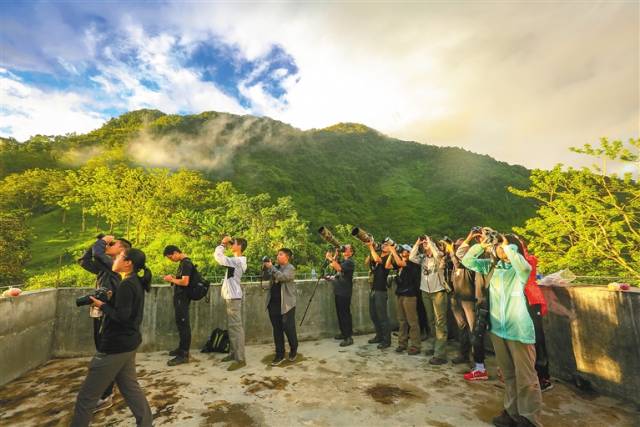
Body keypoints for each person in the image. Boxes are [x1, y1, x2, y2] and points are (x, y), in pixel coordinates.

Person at [462, 233, 542, 427]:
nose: (498, 248)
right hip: (498, 329)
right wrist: (481, 245)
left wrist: (509, 248)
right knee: (509, 375)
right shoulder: (491, 267)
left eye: (502, 245)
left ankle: (529, 418)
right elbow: (466, 260)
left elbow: (524, 267)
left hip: (519, 330)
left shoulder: (520, 268)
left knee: (527, 378)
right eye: (497, 246)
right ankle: (512, 412)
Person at [71, 248, 153, 427]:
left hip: (115, 347)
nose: (114, 259)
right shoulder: (134, 282)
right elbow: (126, 312)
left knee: (86, 398)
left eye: (118, 256)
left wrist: (102, 305)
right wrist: (110, 299)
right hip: (128, 343)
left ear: (128, 262)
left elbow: (122, 317)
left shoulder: (127, 284)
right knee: (131, 389)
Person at [77, 234, 131, 412]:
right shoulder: (105, 268)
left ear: (121, 251)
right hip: (99, 313)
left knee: (104, 355)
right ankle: (111, 390)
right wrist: (97, 243)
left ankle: (106, 395)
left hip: (106, 314)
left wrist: (102, 241)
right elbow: (84, 261)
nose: (109, 245)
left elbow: (99, 254)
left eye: (112, 244)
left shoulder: (114, 267)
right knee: (104, 353)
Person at [512, 234, 552, 392]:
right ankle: (528, 375)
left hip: (531, 300)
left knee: (537, 338)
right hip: (520, 301)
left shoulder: (529, 259)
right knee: (524, 341)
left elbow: (524, 268)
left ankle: (544, 377)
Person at [453, 230, 490, 381]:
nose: (482, 239)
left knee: (478, 333)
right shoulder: (478, 260)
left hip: (480, 300)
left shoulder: (490, 260)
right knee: (476, 334)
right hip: (480, 300)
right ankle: (479, 366)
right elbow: (461, 255)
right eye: (480, 237)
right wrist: (474, 240)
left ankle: (484, 365)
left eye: (486, 236)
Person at [410, 236, 449, 364]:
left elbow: (437, 254)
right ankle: (435, 348)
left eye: (428, 243)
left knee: (440, 323)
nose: (425, 244)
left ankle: (440, 355)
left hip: (438, 292)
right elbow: (411, 257)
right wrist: (417, 243)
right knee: (431, 321)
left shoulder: (440, 256)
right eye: (424, 243)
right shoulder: (422, 258)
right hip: (425, 292)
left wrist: (430, 242)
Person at [213, 236, 248, 372]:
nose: (231, 245)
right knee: (232, 328)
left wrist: (222, 243)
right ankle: (234, 354)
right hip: (231, 298)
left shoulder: (237, 261)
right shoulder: (236, 260)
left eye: (234, 243)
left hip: (233, 299)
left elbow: (219, 257)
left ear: (239, 247)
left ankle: (240, 359)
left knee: (236, 329)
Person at [263, 248, 298, 365]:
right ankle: (280, 354)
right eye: (277, 254)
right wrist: (265, 268)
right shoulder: (275, 268)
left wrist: (271, 267)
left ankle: (293, 349)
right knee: (277, 330)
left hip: (286, 305)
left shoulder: (290, 268)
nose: (278, 256)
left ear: (287, 257)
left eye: (280, 254)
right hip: (273, 304)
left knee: (289, 329)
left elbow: (283, 278)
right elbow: (265, 278)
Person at [162, 245, 194, 366]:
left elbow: (185, 282)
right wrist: (174, 278)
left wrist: (171, 279)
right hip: (181, 298)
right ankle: (181, 349)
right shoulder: (183, 263)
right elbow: (182, 279)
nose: (171, 260)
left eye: (171, 257)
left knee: (184, 325)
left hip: (183, 299)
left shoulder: (186, 263)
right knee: (181, 324)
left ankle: (184, 355)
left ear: (175, 253)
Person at [388, 244, 421, 355]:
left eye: (405, 250)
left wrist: (393, 250)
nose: (403, 252)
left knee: (412, 321)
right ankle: (402, 344)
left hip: (410, 295)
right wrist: (391, 253)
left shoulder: (412, 263)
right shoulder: (400, 265)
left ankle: (415, 346)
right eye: (402, 250)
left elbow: (399, 262)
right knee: (402, 321)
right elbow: (387, 266)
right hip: (400, 295)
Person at [365, 239, 395, 349]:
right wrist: (373, 249)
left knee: (382, 316)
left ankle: (387, 340)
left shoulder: (388, 258)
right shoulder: (377, 255)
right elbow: (367, 262)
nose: (384, 246)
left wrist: (371, 247)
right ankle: (379, 335)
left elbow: (378, 260)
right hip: (373, 289)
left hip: (381, 291)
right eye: (383, 244)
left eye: (387, 245)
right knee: (373, 315)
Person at [325, 244, 356, 347]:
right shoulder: (344, 261)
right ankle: (344, 333)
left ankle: (348, 337)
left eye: (346, 248)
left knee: (345, 315)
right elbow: (333, 266)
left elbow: (338, 268)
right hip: (339, 291)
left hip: (344, 292)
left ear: (351, 252)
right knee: (340, 314)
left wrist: (330, 258)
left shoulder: (350, 262)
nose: (344, 248)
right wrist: (336, 255)